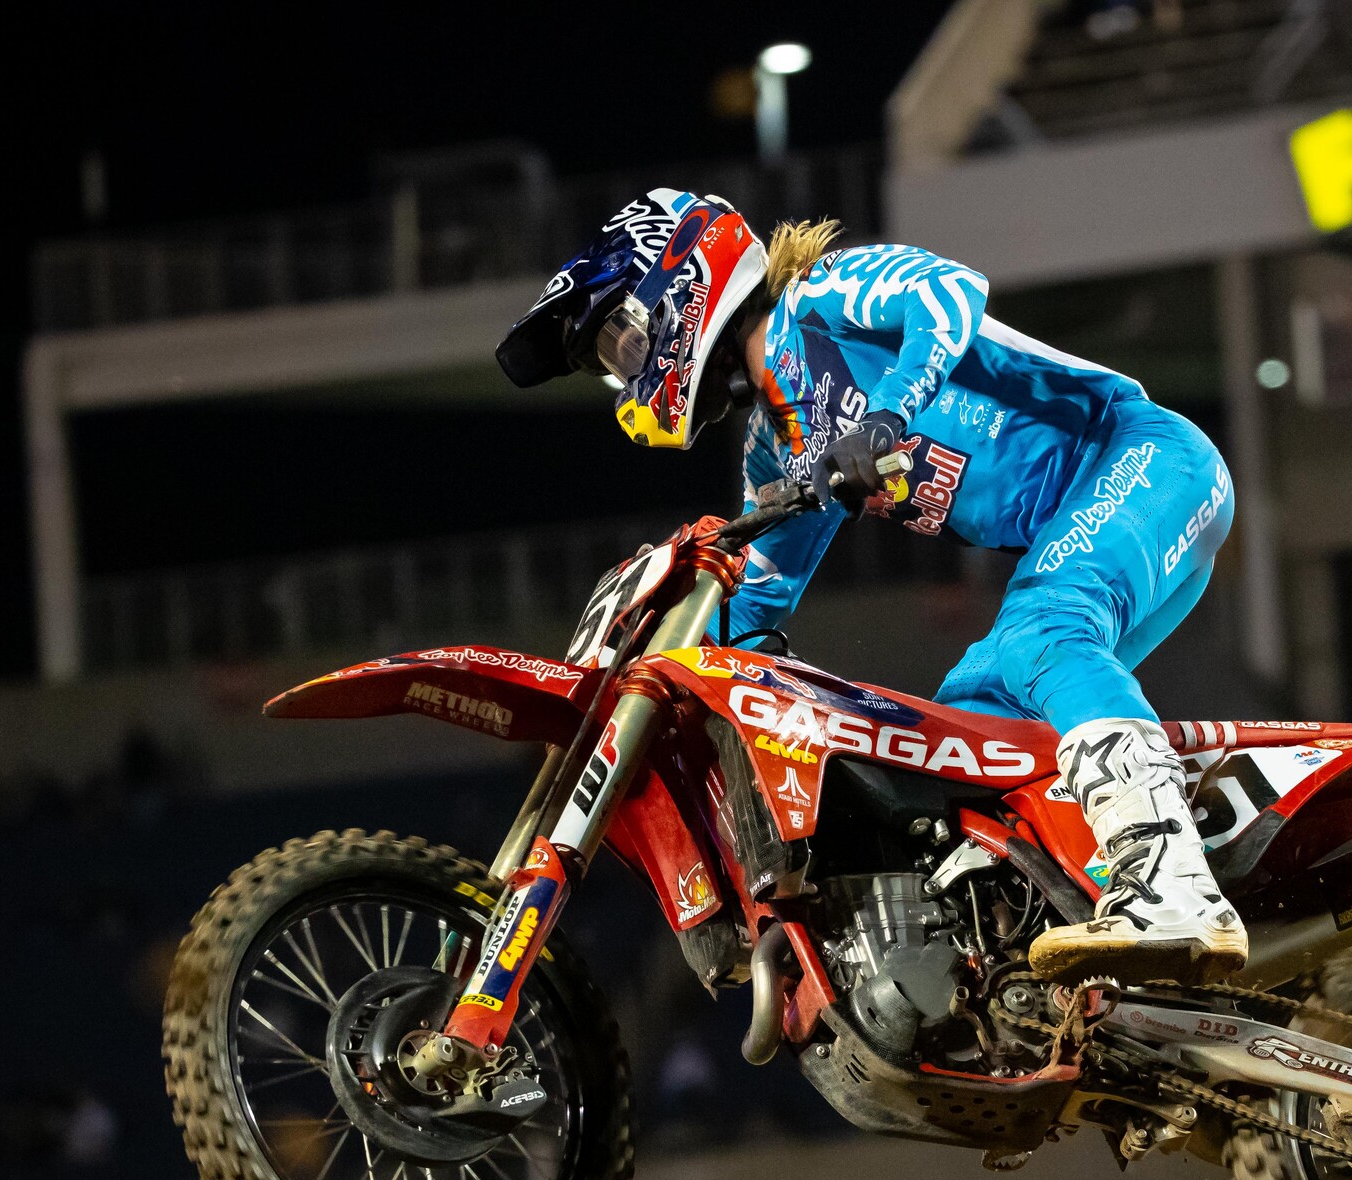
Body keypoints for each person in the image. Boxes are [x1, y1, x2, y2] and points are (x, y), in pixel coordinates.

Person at [497, 189, 1244, 981]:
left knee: (1043, 632)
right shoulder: (774, 452)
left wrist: (884, 421)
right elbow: (756, 606)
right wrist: (668, 668)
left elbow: (950, 294)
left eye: (623, 340)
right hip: (1092, 526)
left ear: (678, 286)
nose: (627, 370)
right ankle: (1073, 945)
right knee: (956, 738)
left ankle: (1174, 887)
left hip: (1144, 458)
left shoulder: (821, 297)